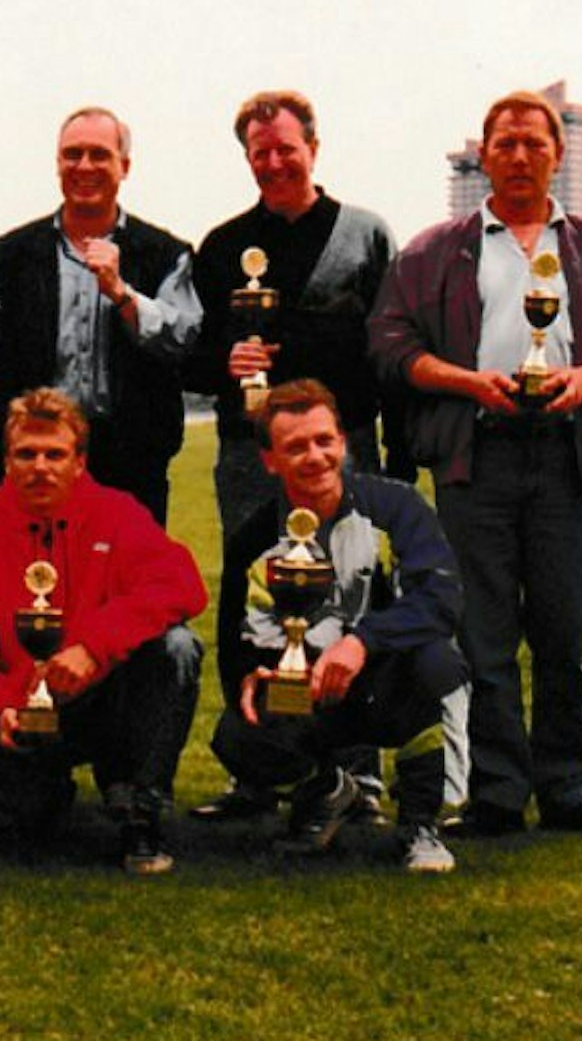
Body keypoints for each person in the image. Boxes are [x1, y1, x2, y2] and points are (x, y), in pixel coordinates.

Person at [369, 90, 582, 841]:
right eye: (505, 143)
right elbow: (391, 343)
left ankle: (567, 788)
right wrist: (470, 383)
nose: (521, 155)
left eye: (536, 143)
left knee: (567, 634)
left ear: (558, 155)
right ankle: (499, 794)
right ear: (484, 152)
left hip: (574, 456)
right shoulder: (434, 251)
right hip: (477, 456)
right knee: (485, 633)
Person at [185, 91, 403, 824]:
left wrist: (392, 459)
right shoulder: (219, 247)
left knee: (354, 598)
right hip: (250, 458)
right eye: (260, 152)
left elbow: (392, 347)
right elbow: (188, 350)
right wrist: (226, 358)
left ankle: (360, 775)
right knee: (256, 601)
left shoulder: (366, 235)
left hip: (347, 453)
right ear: (246, 156)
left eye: (287, 148)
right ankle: (258, 767)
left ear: (315, 146)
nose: (274, 163)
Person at [0, 388, 205, 873]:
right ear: (5, 461)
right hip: (21, 710)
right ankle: (43, 797)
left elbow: (180, 584)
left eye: (55, 454)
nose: (40, 467)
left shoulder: (118, 515)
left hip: (102, 701)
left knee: (178, 647)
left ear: (79, 461)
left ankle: (142, 811)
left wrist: (93, 649)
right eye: (26, 454)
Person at [210, 380, 467, 873]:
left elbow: (441, 598)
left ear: (343, 442)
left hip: (387, 682)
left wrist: (362, 642)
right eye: (296, 446)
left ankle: (419, 821)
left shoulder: (397, 507)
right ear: (270, 460)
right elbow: (233, 638)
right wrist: (252, 677)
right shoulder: (255, 537)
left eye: (324, 441)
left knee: (437, 662)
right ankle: (327, 790)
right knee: (238, 735)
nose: (315, 457)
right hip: (306, 687)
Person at [0, 106, 201, 525]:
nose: (84, 167)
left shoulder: (165, 254)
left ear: (124, 166)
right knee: (33, 583)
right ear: (57, 163)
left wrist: (121, 292)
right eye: (72, 155)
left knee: (127, 584)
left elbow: (182, 340)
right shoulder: (13, 254)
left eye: (99, 155)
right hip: (34, 457)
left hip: (131, 459)